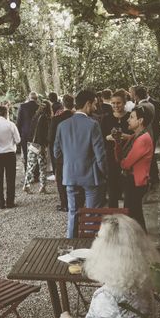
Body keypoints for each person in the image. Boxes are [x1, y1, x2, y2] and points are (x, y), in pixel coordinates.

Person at [37, 214, 160, 318]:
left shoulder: (110, 295)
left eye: (98, 237)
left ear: (107, 249)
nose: (95, 240)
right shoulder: (142, 282)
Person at [54, 89, 107, 238]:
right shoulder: (93, 125)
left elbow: (56, 153)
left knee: (73, 213)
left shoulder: (62, 125)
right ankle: (88, 248)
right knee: (91, 215)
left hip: (70, 175)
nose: (96, 108)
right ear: (88, 104)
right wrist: (105, 173)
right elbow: (100, 156)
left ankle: (70, 245)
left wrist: (70, 161)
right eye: (94, 104)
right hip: (91, 177)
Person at [115, 106, 154, 231]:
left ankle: (140, 244)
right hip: (132, 181)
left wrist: (122, 161)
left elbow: (125, 164)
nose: (128, 120)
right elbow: (120, 157)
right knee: (134, 215)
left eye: (132, 117)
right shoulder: (135, 136)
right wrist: (117, 141)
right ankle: (141, 244)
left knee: (133, 216)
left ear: (140, 120)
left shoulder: (142, 139)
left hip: (136, 182)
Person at [101, 89, 132, 208]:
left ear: (124, 103)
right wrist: (108, 138)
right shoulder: (106, 118)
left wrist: (127, 137)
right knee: (112, 187)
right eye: (113, 103)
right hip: (111, 157)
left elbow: (138, 137)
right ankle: (113, 215)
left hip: (128, 156)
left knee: (128, 188)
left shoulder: (130, 117)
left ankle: (127, 216)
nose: (115, 105)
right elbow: (101, 138)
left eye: (118, 103)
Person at [0, 105, 21, 209]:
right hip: (10, 154)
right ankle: (10, 202)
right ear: (6, 113)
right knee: (10, 179)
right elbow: (18, 140)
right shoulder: (11, 125)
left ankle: (0, 203)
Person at [48, 95, 74, 212]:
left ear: (63, 103)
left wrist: (55, 155)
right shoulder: (76, 117)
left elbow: (51, 138)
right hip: (75, 153)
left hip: (61, 155)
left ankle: (65, 203)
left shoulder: (56, 119)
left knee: (61, 179)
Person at [24, 100, 52, 194]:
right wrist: (43, 146)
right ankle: (42, 187)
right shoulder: (45, 118)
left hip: (32, 144)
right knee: (42, 166)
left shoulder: (35, 116)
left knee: (31, 165)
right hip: (40, 145)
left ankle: (26, 185)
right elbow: (42, 133)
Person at [16, 91, 39, 172]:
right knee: (36, 153)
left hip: (25, 134)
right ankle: (36, 174)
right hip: (37, 134)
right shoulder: (39, 107)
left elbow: (19, 121)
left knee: (26, 154)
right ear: (37, 98)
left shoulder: (22, 106)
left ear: (29, 98)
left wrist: (18, 135)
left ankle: (28, 173)